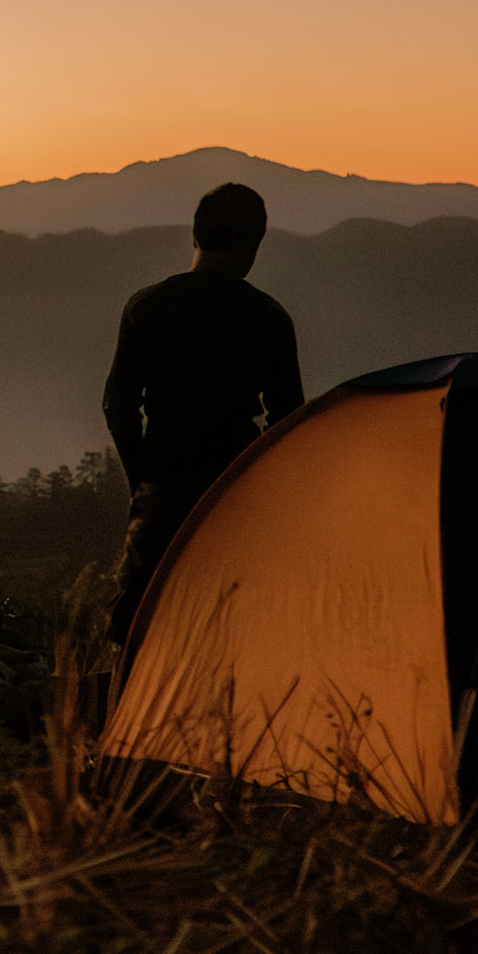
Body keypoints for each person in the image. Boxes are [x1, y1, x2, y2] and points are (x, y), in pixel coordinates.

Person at [102, 183, 304, 644]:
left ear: (195, 236)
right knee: (234, 622)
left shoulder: (147, 308)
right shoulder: (268, 317)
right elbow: (288, 418)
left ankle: (128, 710)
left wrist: (143, 481)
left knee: (137, 623)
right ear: (254, 244)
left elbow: (118, 406)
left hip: (163, 485)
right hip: (236, 489)